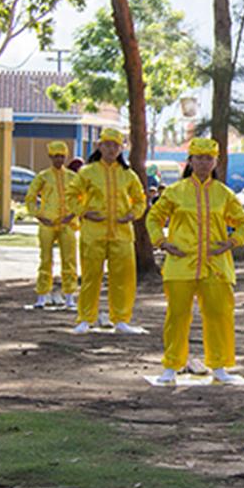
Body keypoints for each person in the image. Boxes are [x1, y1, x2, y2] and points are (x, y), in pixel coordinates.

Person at [147, 138, 244, 384]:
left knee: (219, 315)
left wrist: (232, 242)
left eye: (209, 159)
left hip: (216, 265)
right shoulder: (175, 191)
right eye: (199, 158)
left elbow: (243, 222)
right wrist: (162, 242)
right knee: (177, 316)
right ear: (190, 161)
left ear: (215, 162)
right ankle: (172, 365)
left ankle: (220, 366)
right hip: (181, 263)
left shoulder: (223, 193)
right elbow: (153, 217)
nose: (204, 163)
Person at [67, 128, 147, 334]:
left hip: (122, 233)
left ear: (121, 149)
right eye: (107, 145)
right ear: (99, 146)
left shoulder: (128, 175)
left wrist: (132, 214)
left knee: (123, 278)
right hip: (94, 233)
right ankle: (85, 318)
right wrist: (84, 212)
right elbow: (71, 195)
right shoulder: (87, 172)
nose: (111, 149)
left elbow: (140, 199)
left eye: (115, 146)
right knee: (91, 276)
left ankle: (121, 319)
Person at [25, 141, 79, 308]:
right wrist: (39, 216)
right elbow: (30, 197)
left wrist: (72, 214)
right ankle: (42, 296)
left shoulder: (72, 177)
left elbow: (82, 198)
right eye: (56, 156)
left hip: (67, 223)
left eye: (62, 156)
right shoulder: (43, 176)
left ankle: (69, 296)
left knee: (69, 260)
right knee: (46, 259)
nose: (59, 159)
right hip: (48, 222)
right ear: (50, 157)